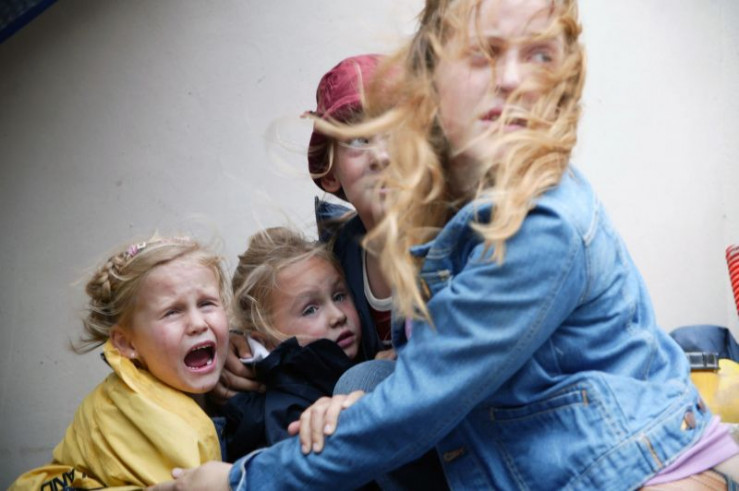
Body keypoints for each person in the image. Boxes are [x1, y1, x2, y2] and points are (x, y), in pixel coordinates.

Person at [153, 0, 739, 489]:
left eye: (540, 55)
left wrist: (240, 481)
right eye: (482, 53)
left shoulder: (542, 222)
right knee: (361, 387)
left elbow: (422, 401)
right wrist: (249, 347)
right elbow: (288, 292)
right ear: (430, 80)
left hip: (632, 463)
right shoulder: (425, 215)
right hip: (530, 453)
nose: (512, 79)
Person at [10, 235, 230, 489]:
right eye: (172, 312)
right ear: (127, 344)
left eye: (206, 304)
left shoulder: (229, 379)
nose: (198, 324)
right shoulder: (134, 416)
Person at [218, 226, 363, 461]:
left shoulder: (357, 357)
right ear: (264, 341)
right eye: (310, 310)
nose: (338, 316)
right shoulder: (287, 414)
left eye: (339, 296)